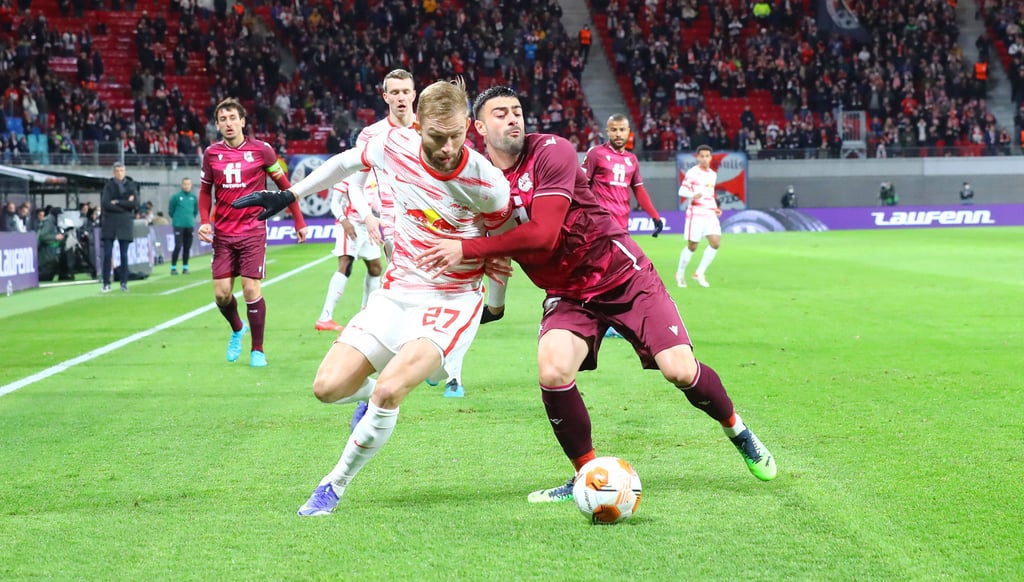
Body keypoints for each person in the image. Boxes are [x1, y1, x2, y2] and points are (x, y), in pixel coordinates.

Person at [416, 86, 777, 505]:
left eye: (517, 110)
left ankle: (738, 430)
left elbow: (543, 234)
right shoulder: (480, 179)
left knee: (679, 369)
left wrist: (468, 249)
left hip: (622, 275)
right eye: (500, 114)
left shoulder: (553, 150)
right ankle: (585, 473)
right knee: (552, 370)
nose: (513, 118)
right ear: (478, 127)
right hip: (567, 292)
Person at [231, 79, 513, 516]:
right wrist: (291, 194)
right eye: (437, 137)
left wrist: (494, 306)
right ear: (417, 126)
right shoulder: (393, 145)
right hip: (397, 292)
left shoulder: (487, 182)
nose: (447, 148)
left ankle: (332, 486)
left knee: (388, 392)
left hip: (451, 300)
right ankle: (388, 389)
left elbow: (502, 247)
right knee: (326, 388)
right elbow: (345, 163)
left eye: (457, 136)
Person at [197, 97, 309, 368]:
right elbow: (204, 191)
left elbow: (285, 190)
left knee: (250, 289)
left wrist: (299, 220)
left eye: (233, 118)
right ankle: (237, 328)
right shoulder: (212, 154)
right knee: (222, 295)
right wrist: (204, 221)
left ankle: (257, 350)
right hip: (223, 233)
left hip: (253, 230)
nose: (228, 124)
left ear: (243, 121)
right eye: (223, 119)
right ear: (217, 124)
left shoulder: (262, 151)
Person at [315, 69, 417, 332]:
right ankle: (364, 325)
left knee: (385, 273)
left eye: (406, 91)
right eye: (395, 92)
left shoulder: (430, 129)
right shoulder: (371, 135)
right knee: (395, 283)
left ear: (414, 94)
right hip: (387, 227)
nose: (401, 97)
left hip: (428, 225)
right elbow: (353, 187)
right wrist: (368, 217)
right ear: (385, 96)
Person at [583, 113, 663, 338]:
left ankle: (607, 320)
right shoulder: (595, 154)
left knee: (617, 273)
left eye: (622, 130)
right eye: (614, 130)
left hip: (621, 227)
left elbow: (638, 190)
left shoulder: (631, 160)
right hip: (599, 226)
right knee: (602, 272)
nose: (618, 134)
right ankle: (595, 319)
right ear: (607, 131)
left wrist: (654, 216)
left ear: (629, 133)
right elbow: (581, 186)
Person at [314, 176, 384, 332]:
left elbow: (376, 201)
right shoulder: (350, 174)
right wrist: (344, 221)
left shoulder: (375, 173)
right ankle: (325, 317)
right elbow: (334, 202)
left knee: (376, 268)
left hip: (368, 226)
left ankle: (366, 315)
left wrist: (381, 217)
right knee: (345, 264)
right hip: (350, 224)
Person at [675, 145, 722, 288]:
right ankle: (680, 273)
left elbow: (710, 194)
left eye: (707, 156)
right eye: (702, 156)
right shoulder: (692, 173)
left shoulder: (712, 174)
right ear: (698, 157)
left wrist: (716, 208)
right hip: (696, 212)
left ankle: (699, 273)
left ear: (711, 158)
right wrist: (692, 195)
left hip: (709, 211)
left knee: (715, 242)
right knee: (692, 246)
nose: (704, 158)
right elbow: (682, 191)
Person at [100, 162, 138, 292]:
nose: (119, 173)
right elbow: (105, 204)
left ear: (125, 171)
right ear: (113, 172)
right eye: (117, 171)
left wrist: (117, 202)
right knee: (107, 254)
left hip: (125, 223)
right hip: (110, 223)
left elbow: (135, 204)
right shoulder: (109, 186)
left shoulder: (131, 185)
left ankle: (124, 282)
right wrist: (125, 204)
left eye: (122, 170)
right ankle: (106, 283)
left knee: (124, 255)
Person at [169, 177, 198, 275]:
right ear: (182, 185)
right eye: (185, 184)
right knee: (178, 246)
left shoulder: (193, 197)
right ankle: (173, 268)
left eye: (188, 184)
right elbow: (171, 211)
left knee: (187, 247)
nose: (186, 186)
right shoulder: (176, 197)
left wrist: (190, 219)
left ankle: (185, 267)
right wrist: (177, 219)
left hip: (189, 225)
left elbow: (195, 211)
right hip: (178, 225)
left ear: (191, 185)